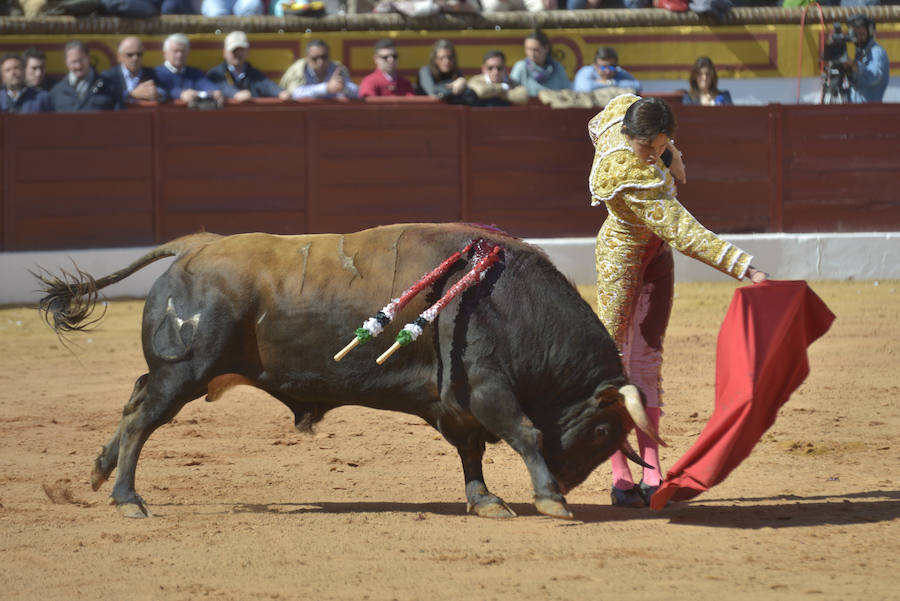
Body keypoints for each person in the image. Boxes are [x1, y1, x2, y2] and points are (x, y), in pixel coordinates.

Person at [587, 94, 769, 507]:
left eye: (659, 146)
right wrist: (748, 268)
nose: (651, 155)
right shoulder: (628, 171)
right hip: (621, 260)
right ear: (629, 136)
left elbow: (601, 120)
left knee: (648, 359)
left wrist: (671, 154)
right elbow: (687, 233)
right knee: (614, 366)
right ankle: (620, 474)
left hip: (655, 259)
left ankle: (651, 467)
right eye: (645, 147)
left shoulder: (623, 111)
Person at [207, 31, 290, 102]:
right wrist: (235, 94)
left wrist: (280, 92)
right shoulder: (215, 74)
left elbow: (266, 84)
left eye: (241, 50)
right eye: (234, 50)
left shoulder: (254, 74)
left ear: (247, 52)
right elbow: (218, 86)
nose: (238, 54)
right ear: (225, 53)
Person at [49, 41, 121, 112]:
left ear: (88, 59)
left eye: (81, 60)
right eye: (74, 62)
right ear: (66, 63)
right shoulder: (57, 92)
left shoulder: (110, 87)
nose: (78, 66)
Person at [155, 33, 224, 106]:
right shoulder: (155, 73)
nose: (179, 55)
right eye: (175, 51)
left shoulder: (194, 73)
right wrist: (180, 94)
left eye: (183, 51)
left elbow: (205, 84)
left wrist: (215, 92)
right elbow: (160, 90)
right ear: (165, 53)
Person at [280, 40, 358, 100]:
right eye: (315, 58)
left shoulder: (337, 68)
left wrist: (344, 87)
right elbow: (295, 93)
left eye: (324, 57)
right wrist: (326, 88)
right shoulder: (298, 70)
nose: (320, 61)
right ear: (307, 57)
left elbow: (356, 91)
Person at [102, 36, 166, 104]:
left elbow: (166, 90)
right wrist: (131, 94)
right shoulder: (108, 76)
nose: (135, 58)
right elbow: (104, 97)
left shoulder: (152, 73)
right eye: (130, 55)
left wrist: (157, 93)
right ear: (119, 57)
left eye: (139, 54)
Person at [509, 30, 570, 97]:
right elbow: (511, 92)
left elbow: (567, 93)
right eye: (528, 49)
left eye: (536, 50)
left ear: (546, 48)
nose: (532, 54)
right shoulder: (521, 67)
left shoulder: (558, 68)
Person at [845, 14, 890, 103]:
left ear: (869, 33)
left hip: (870, 111)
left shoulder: (876, 51)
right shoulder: (860, 52)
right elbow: (857, 84)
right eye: (855, 34)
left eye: (862, 34)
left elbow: (874, 77)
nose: (858, 38)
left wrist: (855, 65)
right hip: (855, 109)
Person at [417, 39, 476, 104]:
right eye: (441, 58)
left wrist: (463, 84)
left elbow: (470, 97)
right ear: (435, 59)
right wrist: (455, 88)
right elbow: (433, 92)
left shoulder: (456, 72)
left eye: (450, 57)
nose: (446, 61)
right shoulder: (425, 71)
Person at [573, 47, 641, 94]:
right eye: (603, 67)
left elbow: (637, 85)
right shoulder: (586, 71)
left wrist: (610, 82)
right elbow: (587, 88)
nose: (608, 71)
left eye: (611, 67)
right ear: (595, 65)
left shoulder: (618, 71)